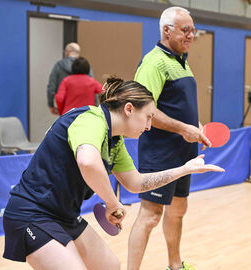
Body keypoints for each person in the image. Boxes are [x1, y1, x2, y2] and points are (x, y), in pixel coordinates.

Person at [2, 76, 223, 270]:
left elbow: (135, 183)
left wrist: (184, 169)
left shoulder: (114, 141)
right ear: (129, 109)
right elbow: (87, 161)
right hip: (30, 214)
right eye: (148, 117)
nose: (149, 126)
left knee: (110, 266)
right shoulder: (91, 120)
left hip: (63, 215)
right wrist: (113, 203)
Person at [128, 7, 211, 270]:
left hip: (183, 152)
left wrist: (194, 125)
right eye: (185, 30)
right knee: (151, 215)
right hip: (160, 152)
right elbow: (145, 109)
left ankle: (175, 265)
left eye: (193, 30)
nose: (191, 35)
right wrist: (182, 128)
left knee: (178, 210)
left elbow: (177, 104)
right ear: (167, 30)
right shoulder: (154, 61)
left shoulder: (181, 60)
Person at [47, 42, 94, 115]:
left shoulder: (59, 65)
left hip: (66, 110)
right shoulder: (86, 66)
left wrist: (51, 105)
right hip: (85, 109)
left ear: (67, 52)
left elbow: (51, 87)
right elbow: (93, 87)